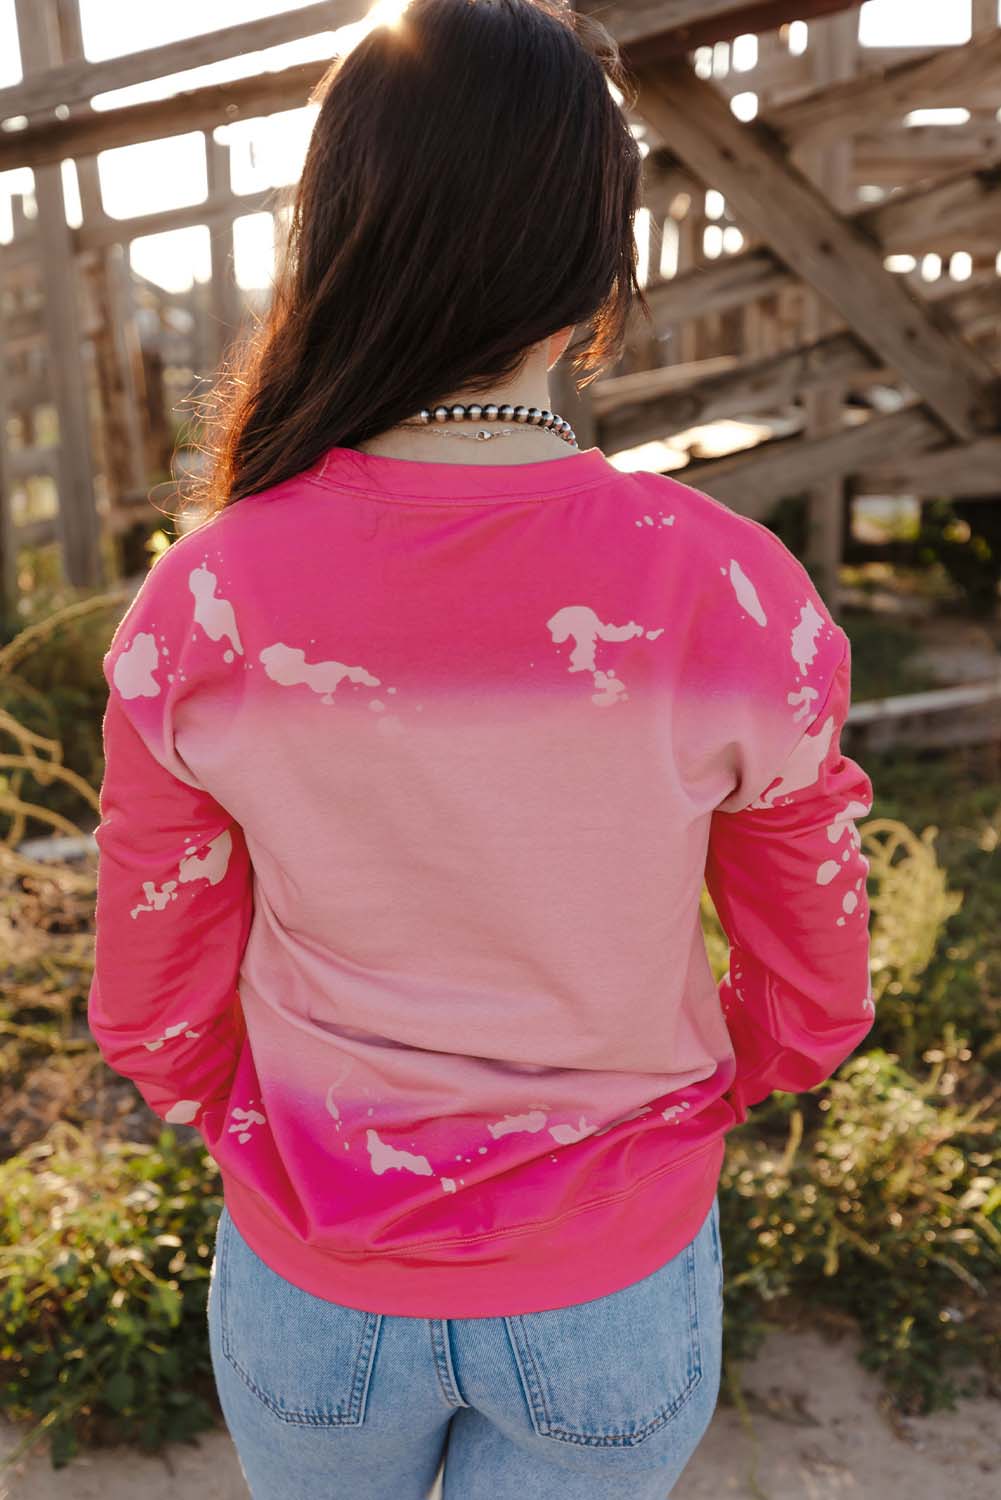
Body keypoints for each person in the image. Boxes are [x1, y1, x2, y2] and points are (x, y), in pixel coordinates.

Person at [86, 1, 875, 1495]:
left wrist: (233, 1120)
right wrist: (745, 1078)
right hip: (611, 1284)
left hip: (314, 1283)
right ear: (599, 261)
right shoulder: (727, 591)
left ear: (334, 232)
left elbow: (151, 982)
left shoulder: (207, 596)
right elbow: (813, 972)